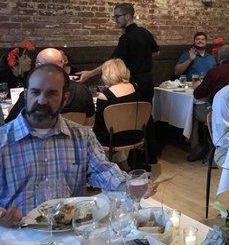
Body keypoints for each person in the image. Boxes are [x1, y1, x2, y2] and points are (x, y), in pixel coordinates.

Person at [0, 64, 157, 224]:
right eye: (35, 92)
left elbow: (102, 171)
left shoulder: (81, 136)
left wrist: (129, 184)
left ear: (65, 98)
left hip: (70, 232)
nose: (41, 100)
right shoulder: (3, 140)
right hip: (17, 233)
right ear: (25, 95)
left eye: (52, 93)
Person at [77, 3, 159, 102]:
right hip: (148, 83)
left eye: (117, 16)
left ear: (128, 16)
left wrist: (90, 73)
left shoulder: (126, 38)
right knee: (144, 114)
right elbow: (156, 52)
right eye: (114, 16)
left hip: (133, 85)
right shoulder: (145, 32)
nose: (115, 20)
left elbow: (112, 63)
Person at [6, 48, 95, 124]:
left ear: (38, 66)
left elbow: (11, 123)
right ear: (62, 64)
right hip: (76, 142)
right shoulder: (83, 91)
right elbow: (89, 123)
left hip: (38, 142)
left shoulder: (31, 94)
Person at [188, 44, 229, 162]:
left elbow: (198, 94)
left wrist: (197, 87)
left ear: (219, 57)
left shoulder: (214, 72)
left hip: (218, 115)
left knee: (192, 110)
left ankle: (198, 148)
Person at [93, 58, 141, 170]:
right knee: (114, 129)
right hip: (136, 133)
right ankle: (125, 167)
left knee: (91, 133)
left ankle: (101, 169)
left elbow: (99, 124)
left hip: (114, 139)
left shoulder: (105, 95)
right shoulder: (135, 87)